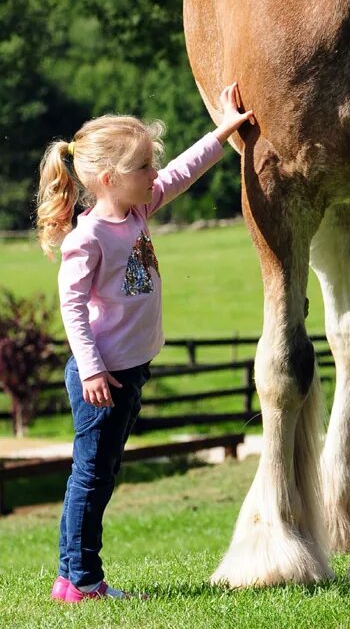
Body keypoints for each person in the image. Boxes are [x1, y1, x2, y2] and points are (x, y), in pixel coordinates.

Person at [35, 83, 254, 603]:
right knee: (91, 478)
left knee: (99, 474)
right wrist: (90, 371)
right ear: (109, 180)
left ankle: (70, 578)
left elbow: (181, 171)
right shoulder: (87, 239)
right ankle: (83, 580)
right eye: (143, 168)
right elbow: (71, 309)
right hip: (102, 380)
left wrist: (222, 132)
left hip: (128, 371)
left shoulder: (136, 211)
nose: (154, 174)